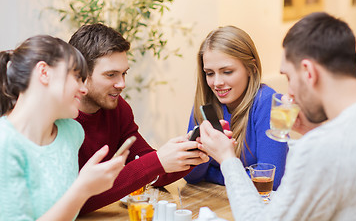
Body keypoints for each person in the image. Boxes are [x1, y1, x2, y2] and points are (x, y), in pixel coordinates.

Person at [197, 12, 356, 220]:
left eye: (289, 77)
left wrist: (228, 159)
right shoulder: (335, 138)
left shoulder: (320, 148)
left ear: (309, 72)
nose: (288, 93)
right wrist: (313, 132)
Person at [68, 23, 209, 214]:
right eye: (111, 75)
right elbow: (74, 200)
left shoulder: (118, 109)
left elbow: (151, 171)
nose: (122, 84)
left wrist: (189, 152)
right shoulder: (60, 120)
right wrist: (157, 161)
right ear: (82, 74)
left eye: (124, 73)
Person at [0, 35, 128, 220]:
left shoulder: (71, 133)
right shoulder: (5, 144)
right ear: (44, 72)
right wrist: (82, 189)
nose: (83, 89)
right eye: (77, 77)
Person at [184, 26, 288, 190]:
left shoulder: (273, 104)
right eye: (210, 73)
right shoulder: (205, 103)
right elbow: (191, 176)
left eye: (227, 71)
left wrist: (213, 173)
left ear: (251, 68)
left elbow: (268, 181)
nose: (217, 82)